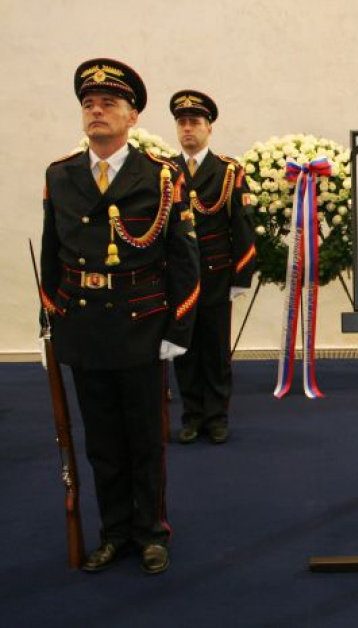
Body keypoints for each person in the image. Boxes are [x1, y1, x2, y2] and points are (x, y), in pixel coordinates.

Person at [40, 58, 199, 574]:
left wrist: (178, 328)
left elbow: (184, 259)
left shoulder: (161, 176)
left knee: (145, 441)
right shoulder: (60, 175)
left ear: (132, 116)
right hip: (85, 327)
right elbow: (51, 255)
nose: (96, 111)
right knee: (101, 442)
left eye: (108, 103)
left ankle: (151, 532)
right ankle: (114, 532)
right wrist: (51, 322)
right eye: (88, 103)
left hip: (141, 326)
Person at [169, 90, 256, 445]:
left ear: (209, 128)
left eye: (195, 122)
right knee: (184, 349)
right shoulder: (164, 171)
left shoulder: (227, 171)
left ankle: (217, 417)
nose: (188, 129)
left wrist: (241, 275)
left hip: (216, 275)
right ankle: (191, 416)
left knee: (216, 350)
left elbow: (242, 226)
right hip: (179, 279)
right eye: (182, 122)